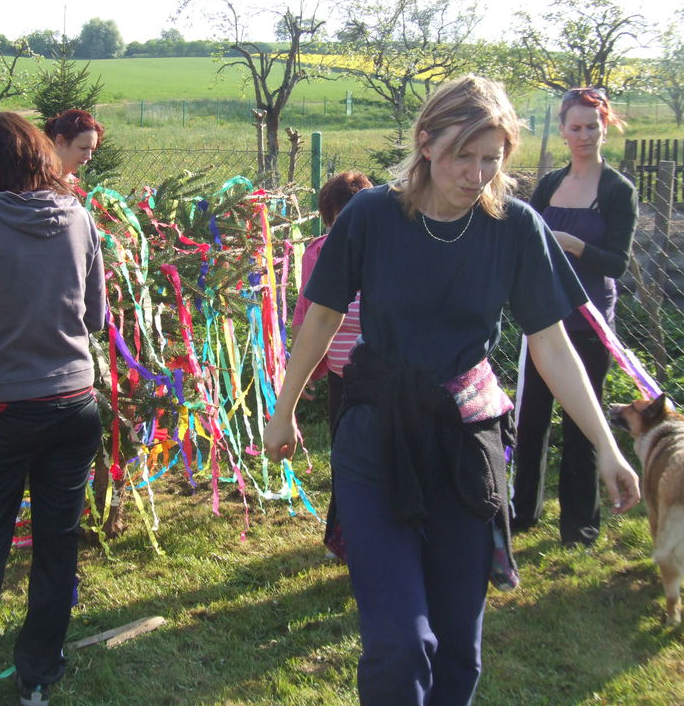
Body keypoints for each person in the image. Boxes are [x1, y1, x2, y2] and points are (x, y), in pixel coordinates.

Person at [263, 75, 640, 706]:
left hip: (466, 445)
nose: (477, 174)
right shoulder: (371, 215)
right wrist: (285, 410)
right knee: (401, 642)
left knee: (457, 647)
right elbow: (321, 316)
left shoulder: (515, 226)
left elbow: (551, 345)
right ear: (427, 143)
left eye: (492, 158)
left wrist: (606, 445)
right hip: (376, 438)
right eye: (464, 155)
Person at [0, 112, 106, 706]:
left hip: (8, 409)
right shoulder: (81, 218)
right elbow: (96, 319)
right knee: (58, 544)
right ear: (40, 153)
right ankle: (37, 679)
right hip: (77, 404)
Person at [511, 87, 639, 547]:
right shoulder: (550, 184)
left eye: (592, 126)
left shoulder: (618, 191)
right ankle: (521, 512)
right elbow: (525, 240)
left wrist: (574, 245)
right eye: (575, 127)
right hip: (544, 321)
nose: (584, 135)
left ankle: (579, 526)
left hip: (589, 324)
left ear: (605, 128)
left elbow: (618, 263)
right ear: (562, 131)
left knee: (583, 426)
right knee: (530, 422)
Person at [291, 171, 372, 428]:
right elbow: (304, 314)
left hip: (381, 381)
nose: (347, 231)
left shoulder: (383, 254)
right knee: (341, 440)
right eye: (338, 222)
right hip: (340, 378)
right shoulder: (317, 253)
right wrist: (301, 371)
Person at [45, 108, 105, 200]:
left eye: (92, 149)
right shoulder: (35, 185)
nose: (89, 156)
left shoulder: (82, 189)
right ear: (60, 141)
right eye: (83, 148)